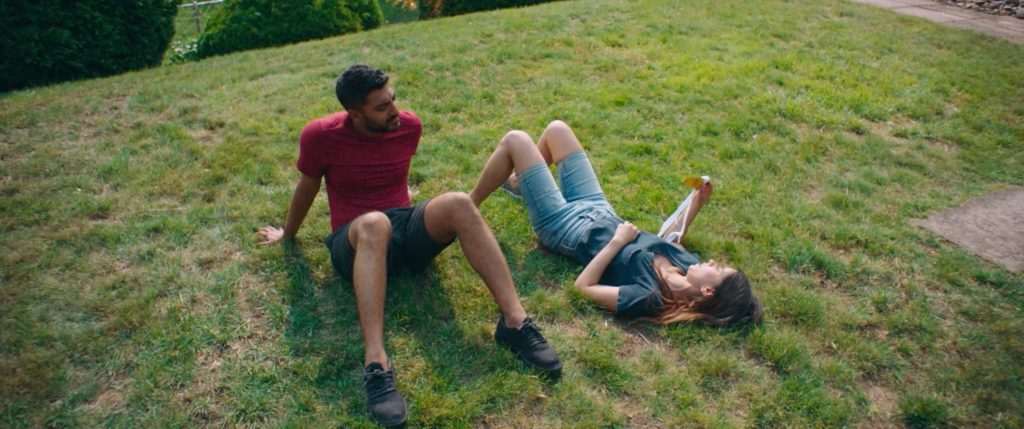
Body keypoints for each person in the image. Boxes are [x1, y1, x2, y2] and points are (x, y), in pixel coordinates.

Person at [257, 65, 561, 427]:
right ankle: (376, 363)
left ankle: (515, 322)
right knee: (374, 222)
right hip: (355, 241)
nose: (395, 112)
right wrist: (287, 234)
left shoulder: (408, 127)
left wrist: (411, 205)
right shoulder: (320, 136)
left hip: (402, 228)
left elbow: (389, 173)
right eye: (382, 107)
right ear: (355, 114)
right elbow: (307, 186)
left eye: (393, 100)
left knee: (460, 202)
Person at [469, 120, 762, 326]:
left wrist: (617, 242)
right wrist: (697, 202)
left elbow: (583, 287)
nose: (712, 261)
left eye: (718, 269)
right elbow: (672, 237)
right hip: (601, 210)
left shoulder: (649, 298)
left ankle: (470, 206)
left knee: (516, 140)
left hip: (566, 228)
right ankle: (523, 184)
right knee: (557, 130)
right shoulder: (687, 264)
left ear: (708, 292)